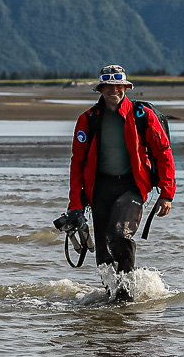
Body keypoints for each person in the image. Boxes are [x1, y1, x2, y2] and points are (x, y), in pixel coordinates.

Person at [67, 64, 175, 287]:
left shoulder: (142, 115)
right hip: (99, 190)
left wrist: (167, 193)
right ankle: (111, 301)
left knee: (119, 235)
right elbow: (77, 163)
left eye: (118, 86)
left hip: (131, 186)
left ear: (126, 87)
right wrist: (75, 203)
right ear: (101, 89)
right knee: (103, 257)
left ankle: (127, 291)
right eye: (108, 87)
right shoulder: (88, 119)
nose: (113, 91)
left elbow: (163, 152)